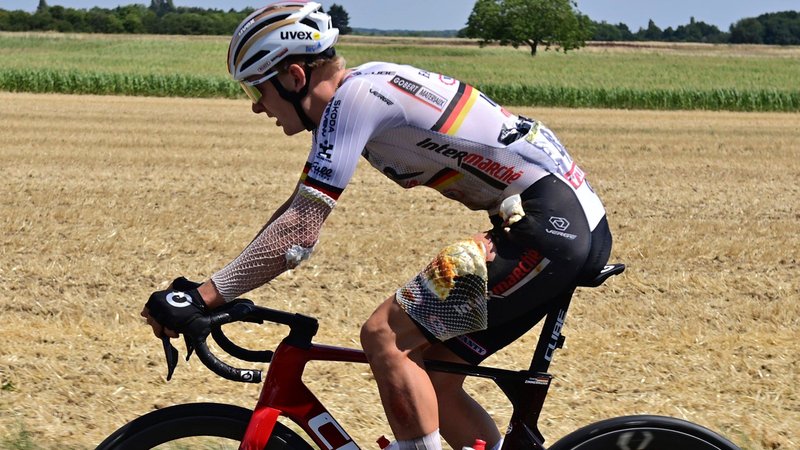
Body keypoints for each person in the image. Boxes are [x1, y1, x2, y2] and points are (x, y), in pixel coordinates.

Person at [141, 2, 613, 450]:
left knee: (385, 336)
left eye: (255, 89)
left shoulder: (357, 97)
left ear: (294, 75)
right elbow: (296, 211)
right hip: (565, 225)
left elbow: (299, 233)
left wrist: (201, 297)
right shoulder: (368, 86)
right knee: (433, 379)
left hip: (548, 228)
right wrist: (211, 289)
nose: (256, 107)